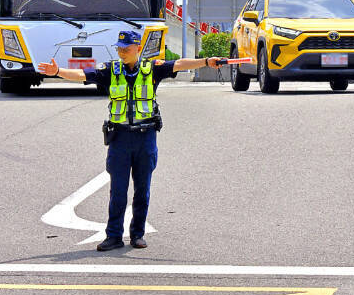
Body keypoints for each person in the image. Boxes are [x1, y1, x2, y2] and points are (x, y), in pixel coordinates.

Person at [37, 30, 225, 251]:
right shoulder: (110, 70)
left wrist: (206, 61)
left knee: (142, 191)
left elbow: (179, 64)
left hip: (145, 138)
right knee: (118, 191)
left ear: (138, 48)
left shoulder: (152, 68)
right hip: (119, 138)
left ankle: (137, 234)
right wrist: (58, 72)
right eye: (119, 48)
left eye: (126, 49)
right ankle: (114, 236)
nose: (122, 52)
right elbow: (82, 75)